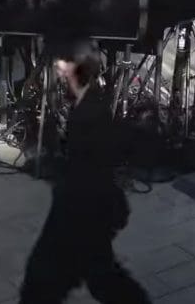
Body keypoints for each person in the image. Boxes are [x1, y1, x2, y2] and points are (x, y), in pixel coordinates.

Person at [18, 40, 151, 304]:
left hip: (79, 216)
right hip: (85, 215)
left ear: (78, 68)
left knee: (42, 283)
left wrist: (56, 170)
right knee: (102, 279)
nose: (57, 66)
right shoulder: (89, 104)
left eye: (65, 61)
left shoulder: (91, 113)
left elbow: (92, 167)